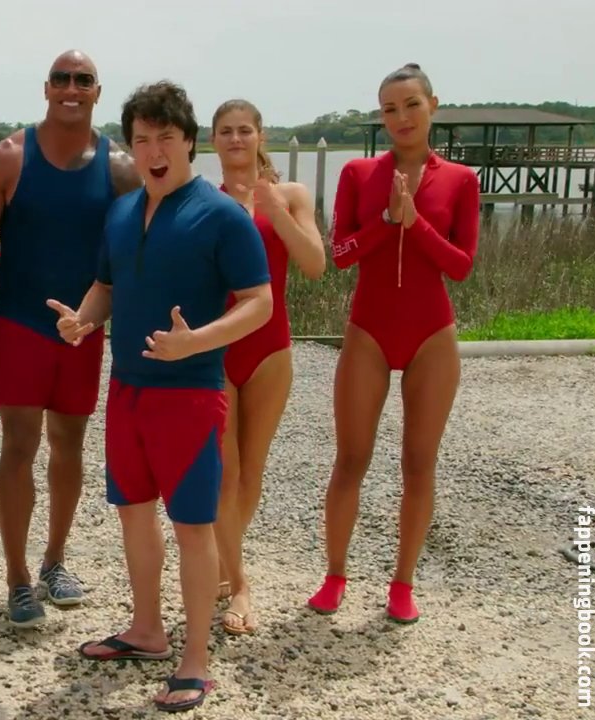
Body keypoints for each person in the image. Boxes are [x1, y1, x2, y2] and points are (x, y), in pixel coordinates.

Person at [55, 80, 273, 713]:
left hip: (190, 394)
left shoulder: (222, 215)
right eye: (142, 139)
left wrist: (196, 341)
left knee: (192, 526)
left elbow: (259, 302)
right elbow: (106, 286)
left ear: (189, 143)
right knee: (132, 511)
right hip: (127, 388)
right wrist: (84, 320)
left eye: (166, 138)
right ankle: (146, 629)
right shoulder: (122, 212)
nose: (154, 151)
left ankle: (195, 659)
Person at [0, 49, 142, 627]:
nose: (71, 88)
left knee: (70, 445)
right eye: (61, 79)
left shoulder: (121, 168)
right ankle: (17, 578)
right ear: (45, 88)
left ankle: (55, 560)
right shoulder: (6, 158)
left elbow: (134, 257)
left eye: (82, 80)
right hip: (20, 323)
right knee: (18, 445)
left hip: (83, 328)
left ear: (97, 92)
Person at [307, 63, 479, 624]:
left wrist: (416, 224)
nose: (401, 117)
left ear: (433, 105)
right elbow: (341, 254)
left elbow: (461, 266)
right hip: (369, 332)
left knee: (419, 464)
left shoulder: (461, 179)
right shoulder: (359, 172)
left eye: (411, 105)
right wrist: (387, 218)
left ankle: (403, 584)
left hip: (432, 335)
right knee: (350, 459)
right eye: (389, 109)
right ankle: (335, 575)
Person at [209, 99, 325, 635]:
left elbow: (315, 264)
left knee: (252, 470)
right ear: (213, 141)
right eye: (226, 132)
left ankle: (223, 559)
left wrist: (274, 209)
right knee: (225, 471)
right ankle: (239, 583)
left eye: (244, 130)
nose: (236, 139)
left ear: (261, 136)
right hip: (218, 347)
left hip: (271, 349)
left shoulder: (292, 195)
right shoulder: (204, 200)